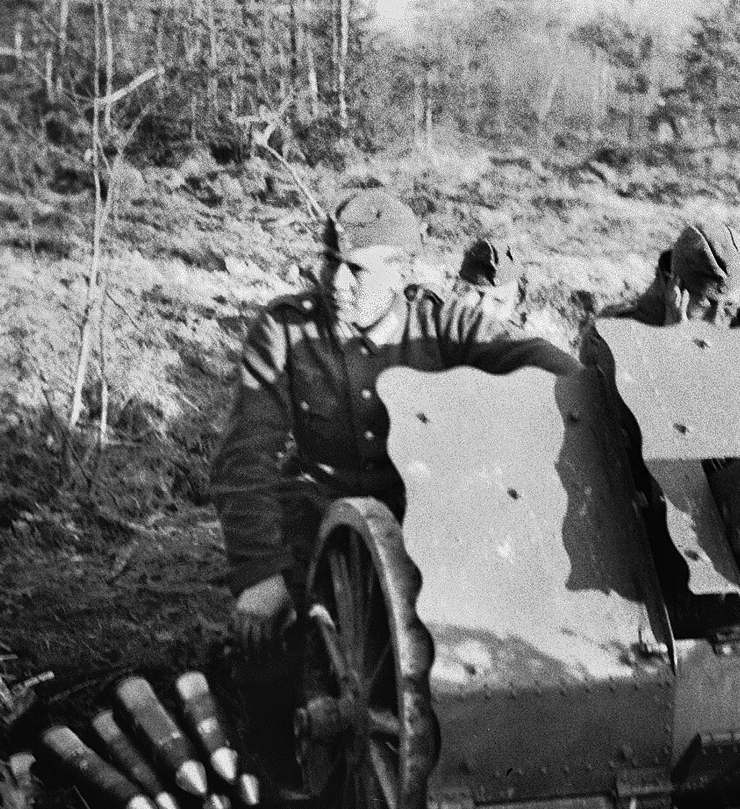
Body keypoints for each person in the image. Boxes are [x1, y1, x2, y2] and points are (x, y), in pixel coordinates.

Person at [211, 188, 580, 656]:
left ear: (400, 273)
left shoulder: (444, 327)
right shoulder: (284, 329)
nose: (335, 282)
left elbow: (542, 362)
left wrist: (599, 387)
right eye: (330, 261)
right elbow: (244, 455)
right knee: (270, 645)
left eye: (357, 269)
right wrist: (260, 571)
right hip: (316, 518)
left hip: (424, 519)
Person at [606, 218, 740, 349]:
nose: (717, 322)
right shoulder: (620, 332)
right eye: (705, 304)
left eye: (729, 307)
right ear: (675, 289)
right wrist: (671, 340)